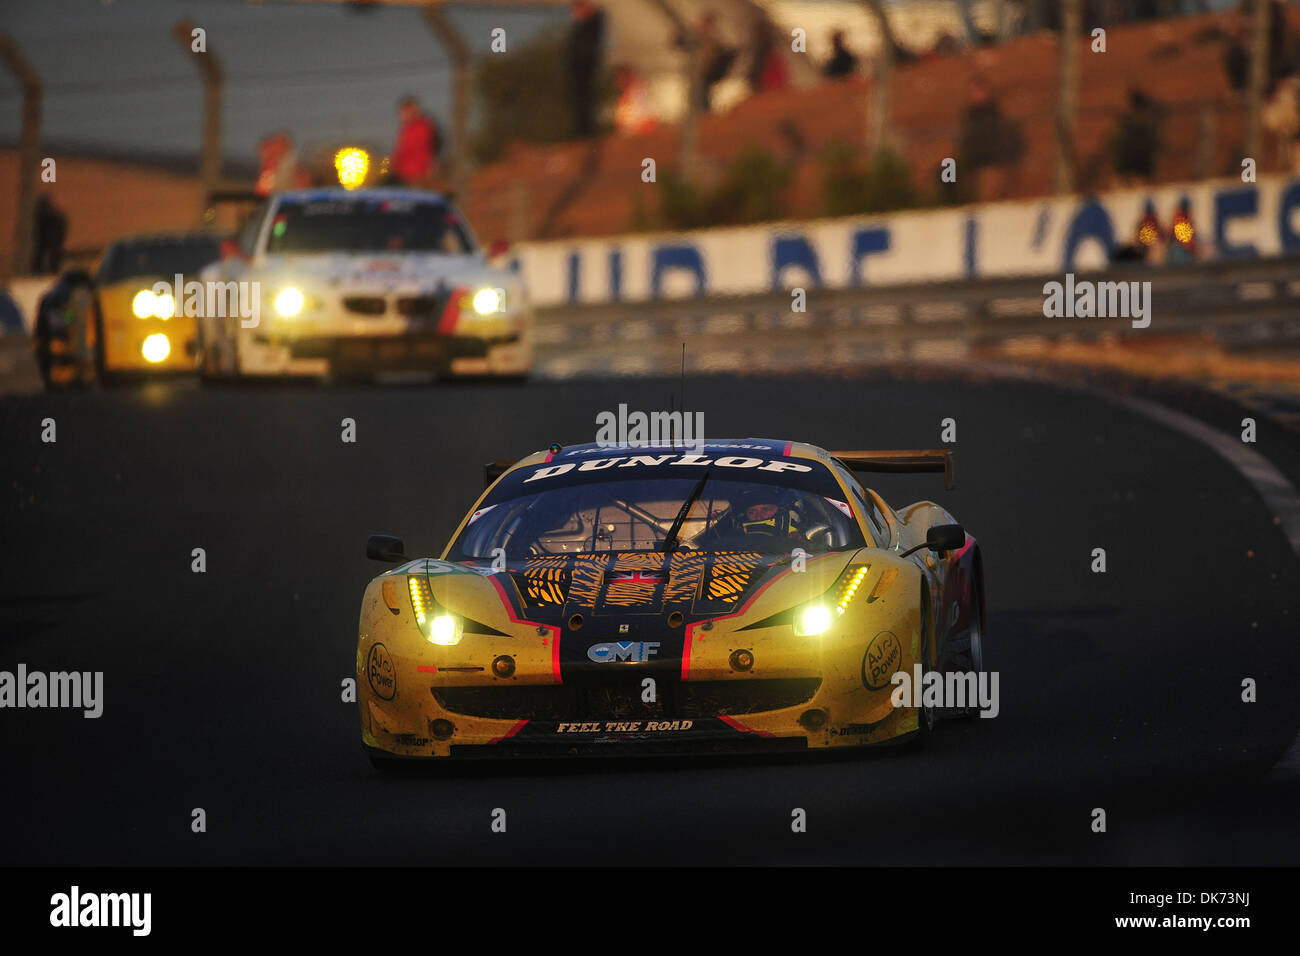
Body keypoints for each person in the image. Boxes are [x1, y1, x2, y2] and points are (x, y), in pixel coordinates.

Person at [566, 1, 606, 138]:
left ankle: (585, 132)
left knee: (585, 101)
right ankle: (582, 131)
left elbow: (586, 49)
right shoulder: (585, 26)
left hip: (585, 69)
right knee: (580, 101)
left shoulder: (592, 24)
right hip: (580, 69)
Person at [1110, 88, 1163, 184]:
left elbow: (1116, 145)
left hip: (1132, 170)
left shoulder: (1126, 123)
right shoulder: (1146, 124)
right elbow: (1157, 144)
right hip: (1137, 169)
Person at [392, 96, 440, 187]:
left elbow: (413, 151)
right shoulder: (408, 129)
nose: (402, 115)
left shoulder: (422, 128)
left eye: (404, 111)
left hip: (417, 174)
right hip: (406, 174)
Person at [613, 64, 656, 136]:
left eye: (621, 78)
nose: (619, 82)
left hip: (641, 129)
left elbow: (640, 113)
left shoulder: (638, 91)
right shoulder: (626, 93)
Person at [32, 195, 67, 274]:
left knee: (53, 253)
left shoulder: (56, 218)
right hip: (46, 235)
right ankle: (39, 270)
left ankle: (52, 270)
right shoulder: (43, 217)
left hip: (54, 234)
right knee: (41, 252)